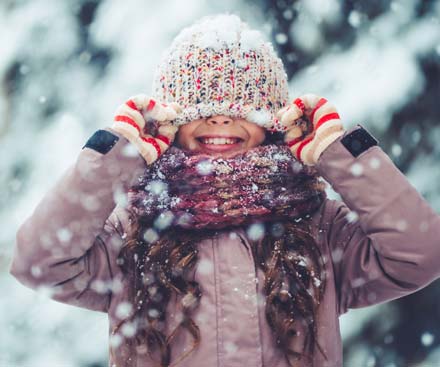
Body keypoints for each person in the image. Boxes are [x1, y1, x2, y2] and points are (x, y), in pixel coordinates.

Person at [9, 14, 440, 367]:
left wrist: (340, 154)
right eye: (201, 108)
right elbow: (39, 262)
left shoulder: (317, 225)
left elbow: (420, 253)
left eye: (240, 108)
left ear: (271, 123)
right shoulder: (136, 230)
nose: (219, 121)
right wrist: (113, 159)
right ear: (172, 125)